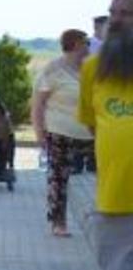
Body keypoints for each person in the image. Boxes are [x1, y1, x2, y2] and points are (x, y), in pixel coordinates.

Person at [83, 0, 133, 270]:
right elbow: (94, 126)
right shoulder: (94, 70)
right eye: (113, 12)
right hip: (117, 203)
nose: (116, 20)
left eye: (128, 13)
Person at [35, 29, 95, 237]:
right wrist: (39, 132)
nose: (89, 45)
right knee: (59, 178)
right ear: (76, 44)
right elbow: (38, 103)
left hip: (91, 133)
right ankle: (58, 223)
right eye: (86, 42)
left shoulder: (92, 68)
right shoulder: (53, 69)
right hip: (59, 131)